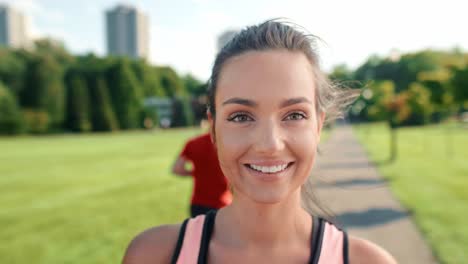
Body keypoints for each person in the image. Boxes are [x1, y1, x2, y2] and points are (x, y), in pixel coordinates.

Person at [123, 20, 397, 264]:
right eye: (241, 116)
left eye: (294, 114)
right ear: (214, 129)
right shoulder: (154, 255)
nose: (270, 144)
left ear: (318, 126)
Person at [172, 132, 232, 217]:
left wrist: (195, 173)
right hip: (223, 203)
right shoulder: (229, 144)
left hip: (198, 204)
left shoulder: (194, 142)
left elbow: (177, 169)